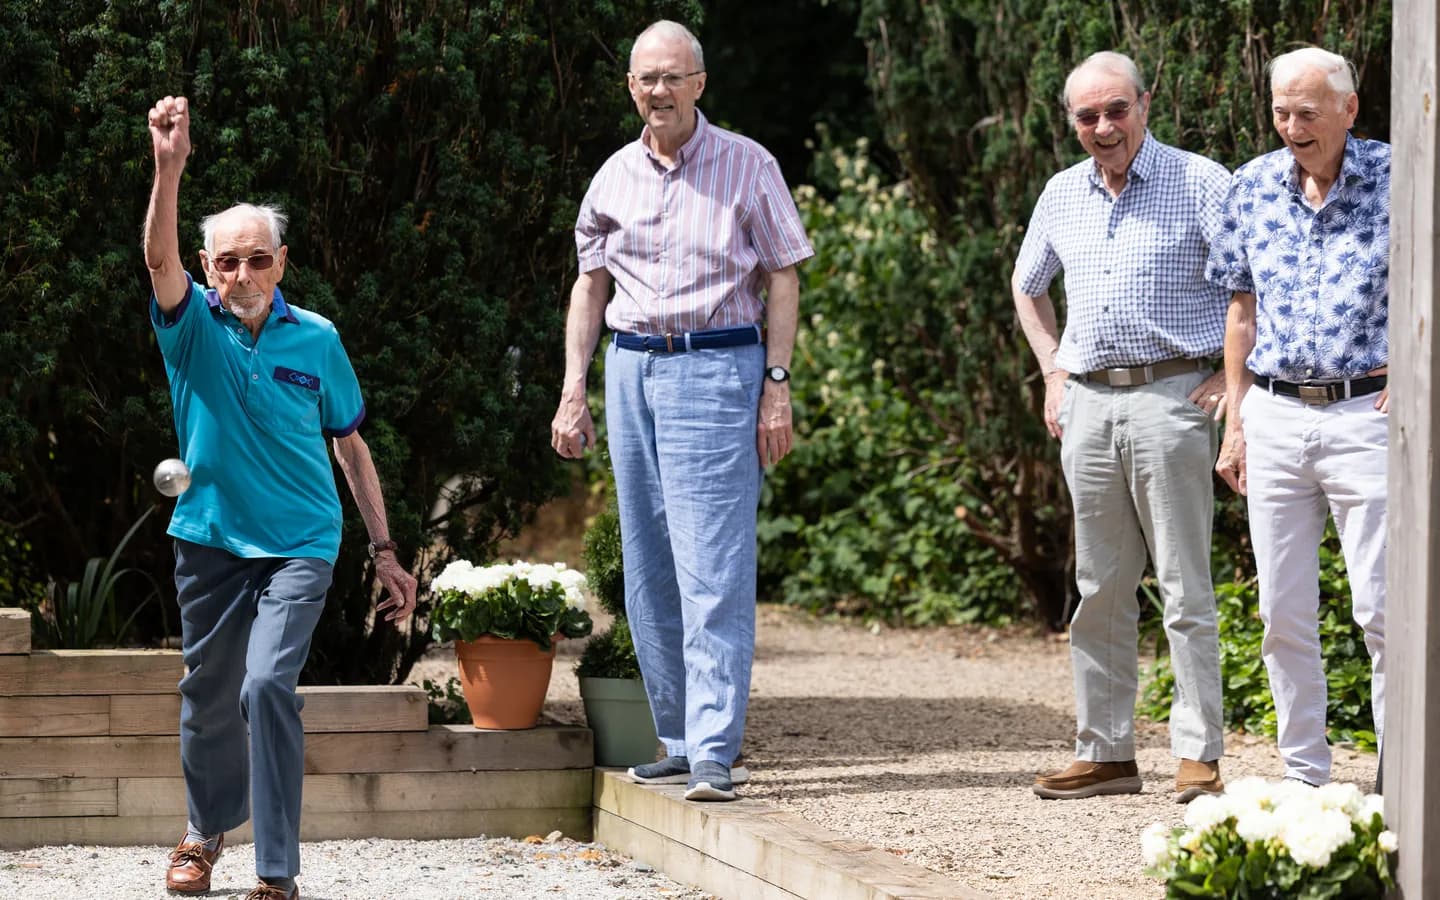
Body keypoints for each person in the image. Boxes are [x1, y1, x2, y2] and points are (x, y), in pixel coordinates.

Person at [144, 96, 418, 900]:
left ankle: (277, 870)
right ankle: (203, 834)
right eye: (226, 261)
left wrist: (385, 550)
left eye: (257, 260)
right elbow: (157, 260)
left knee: (266, 685)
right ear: (207, 269)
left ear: (281, 263)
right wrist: (169, 167)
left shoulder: (318, 339)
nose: (242, 275)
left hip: (301, 541)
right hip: (210, 539)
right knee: (207, 695)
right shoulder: (190, 326)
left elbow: (351, 445)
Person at [549, 20, 812, 802]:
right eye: (643, 78)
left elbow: (785, 278)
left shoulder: (747, 165)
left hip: (717, 367)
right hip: (631, 370)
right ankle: (677, 738)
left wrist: (777, 382)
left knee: (713, 568)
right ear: (629, 86)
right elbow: (590, 287)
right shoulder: (613, 176)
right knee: (649, 567)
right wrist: (574, 388)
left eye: (671, 77)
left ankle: (716, 754)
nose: (656, 91)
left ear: (699, 83)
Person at [1011, 51, 1229, 802]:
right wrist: (1053, 371)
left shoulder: (1200, 181)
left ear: (1145, 102)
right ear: (1071, 121)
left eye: (1116, 110)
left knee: (1182, 583)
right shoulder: (1061, 193)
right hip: (1090, 407)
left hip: (1173, 398)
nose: (1103, 127)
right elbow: (1027, 284)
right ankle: (1105, 752)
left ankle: (1199, 753)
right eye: (1087, 116)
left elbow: (1253, 285)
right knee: (1099, 584)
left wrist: (1232, 375)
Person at [1206, 47, 1389, 787]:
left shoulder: (1402, 178)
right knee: (1282, 614)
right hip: (1275, 413)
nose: (1291, 126)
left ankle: (1398, 776)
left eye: (1307, 113)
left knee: (1382, 608)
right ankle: (1305, 778)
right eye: (1281, 112)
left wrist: (1415, 379)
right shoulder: (1251, 185)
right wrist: (1237, 421)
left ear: (1349, 109)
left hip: (1367, 416)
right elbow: (1240, 312)